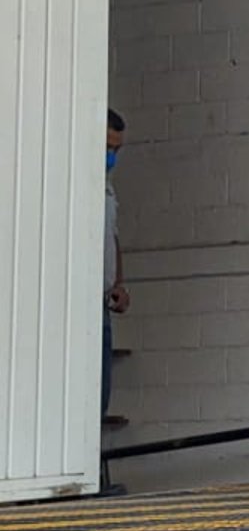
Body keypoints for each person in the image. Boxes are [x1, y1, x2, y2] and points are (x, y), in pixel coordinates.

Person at [103, 109, 129, 430]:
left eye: (117, 150)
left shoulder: (108, 190)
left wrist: (120, 285)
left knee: (100, 395)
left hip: (103, 303)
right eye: (107, 148)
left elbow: (113, 238)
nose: (111, 156)